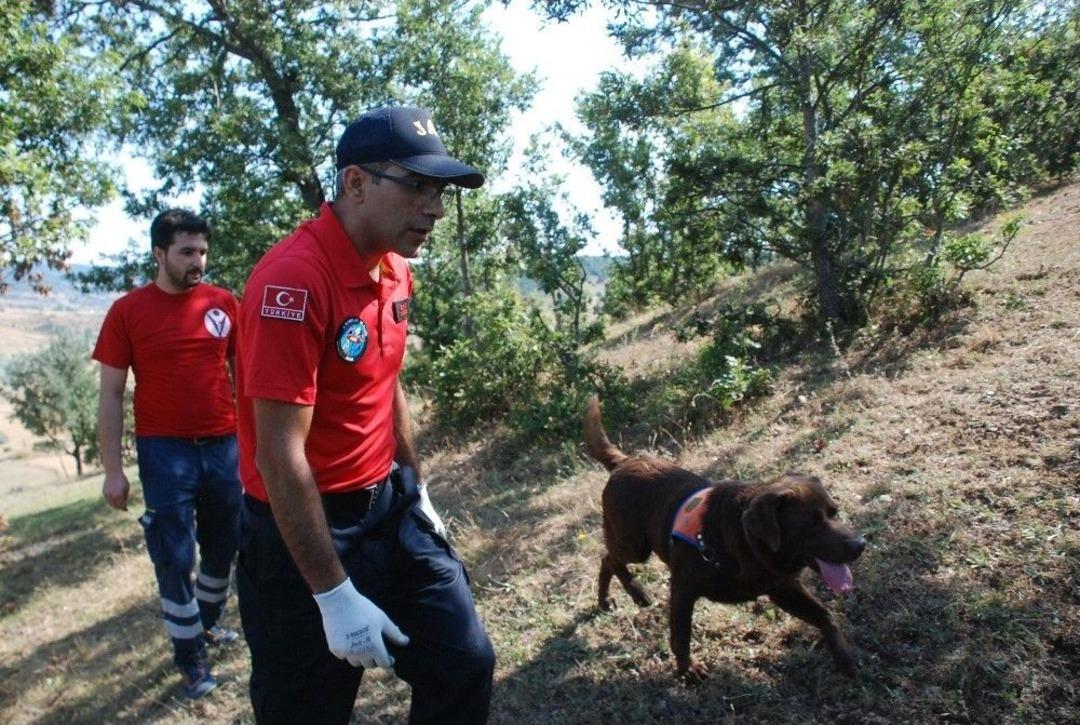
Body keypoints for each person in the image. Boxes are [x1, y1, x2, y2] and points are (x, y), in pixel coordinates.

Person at [235, 106, 495, 724]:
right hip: (303, 527)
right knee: (306, 712)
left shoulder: (395, 267)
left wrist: (418, 485)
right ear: (355, 183)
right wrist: (332, 595)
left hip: (388, 509)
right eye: (417, 186)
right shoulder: (292, 283)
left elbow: (384, 379)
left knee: (464, 663)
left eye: (440, 191)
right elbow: (279, 454)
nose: (434, 207)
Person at [93, 209, 242, 699]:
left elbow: (250, 377)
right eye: (186, 252)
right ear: (159, 254)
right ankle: (191, 658)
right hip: (164, 453)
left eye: (202, 251)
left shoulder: (224, 304)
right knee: (174, 558)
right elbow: (111, 395)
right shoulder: (128, 311)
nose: (197, 260)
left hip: (224, 446)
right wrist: (113, 471)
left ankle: (206, 622)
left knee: (224, 547)